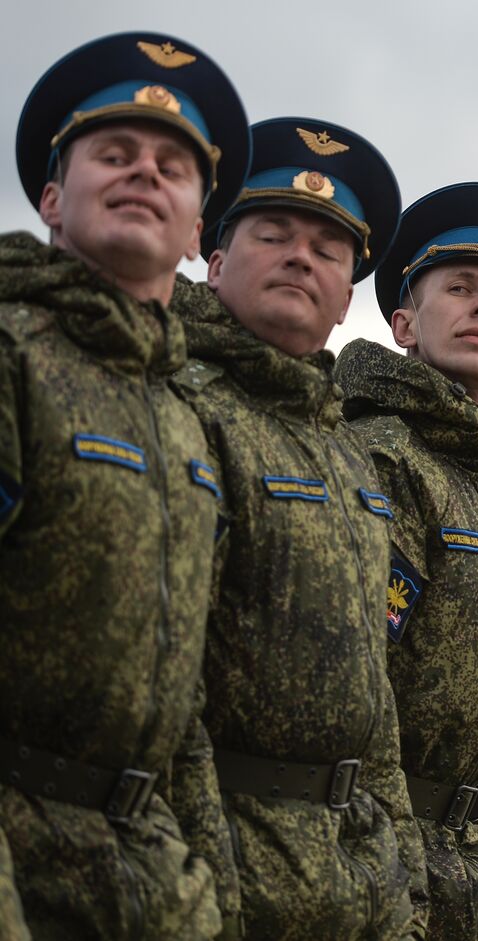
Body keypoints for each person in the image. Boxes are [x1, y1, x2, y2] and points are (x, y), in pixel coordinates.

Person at [2, 31, 250, 939]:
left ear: (194, 234)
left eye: (173, 167)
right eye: (115, 155)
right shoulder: (12, 356)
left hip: (148, 878)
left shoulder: (181, 415)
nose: (145, 171)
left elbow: (181, 699)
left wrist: (208, 898)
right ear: (52, 198)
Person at [169, 116, 427, 938]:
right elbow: (168, 684)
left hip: (353, 869)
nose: (299, 256)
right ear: (213, 263)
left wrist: (402, 887)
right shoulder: (181, 404)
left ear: (348, 294)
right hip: (226, 859)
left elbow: (374, 700)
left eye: (327, 249)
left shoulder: (348, 455)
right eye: (272, 233)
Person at [335, 180, 478, 940]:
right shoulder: (383, 453)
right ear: (404, 322)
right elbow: (360, 693)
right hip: (391, 856)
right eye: (460, 288)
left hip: (476, 864)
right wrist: (393, 873)